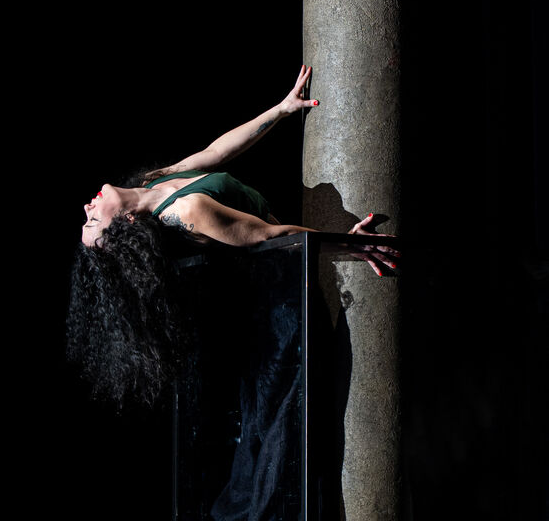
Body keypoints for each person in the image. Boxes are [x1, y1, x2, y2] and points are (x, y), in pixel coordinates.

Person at [66, 65, 399, 409]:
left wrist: (281, 109)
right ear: (128, 221)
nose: (87, 207)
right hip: (283, 295)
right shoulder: (186, 212)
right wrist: (350, 244)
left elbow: (215, 153)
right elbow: (273, 237)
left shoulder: (151, 183)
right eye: (93, 220)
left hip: (286, 258)